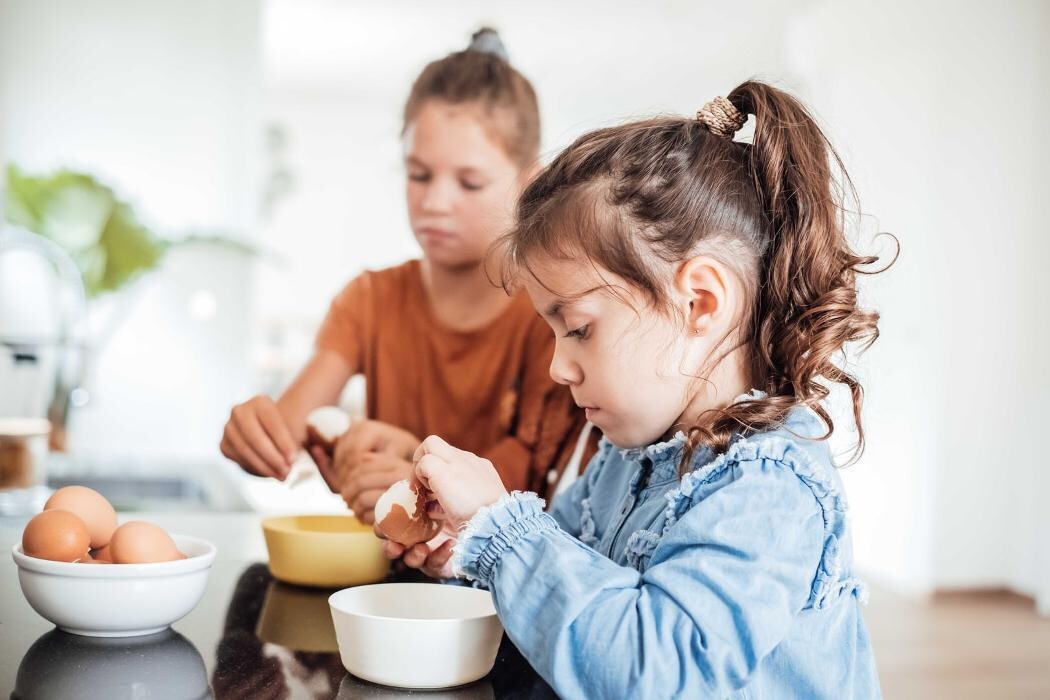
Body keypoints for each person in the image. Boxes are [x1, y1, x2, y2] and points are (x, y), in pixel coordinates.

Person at [390, 81, 887, 697]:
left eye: (577, 329)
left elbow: (652, 673)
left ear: (699, 302)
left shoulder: (769, 488)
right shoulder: (627, 460)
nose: (557, 368)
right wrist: (471, 553)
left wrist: (500, 527)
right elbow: (566, 593)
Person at [220, 29, 590, 522]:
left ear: (528, 183)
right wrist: (255, 436)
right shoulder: (370, 300)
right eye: (419, 175)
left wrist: (415, 471)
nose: (434, 202)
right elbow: (284, 435)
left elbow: (529, 487)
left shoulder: (553, 315)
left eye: (469, 182)